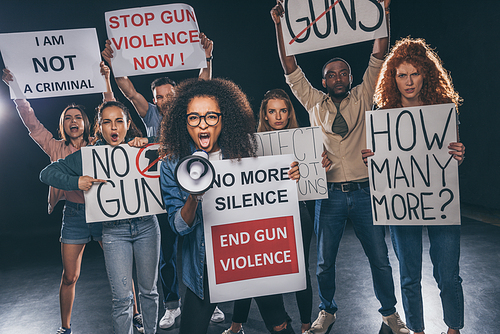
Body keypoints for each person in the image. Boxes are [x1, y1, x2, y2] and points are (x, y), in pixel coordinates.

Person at [270, 1, 409, 334]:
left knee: (379, 258)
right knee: (324, 262)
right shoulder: (314, 101)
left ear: (349, 76)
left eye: (343, 72)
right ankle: (327, 311)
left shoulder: (363, 95)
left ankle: (390, 313)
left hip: (364, 192)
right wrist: (279, 25)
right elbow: (290, 67)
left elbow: (379, 53)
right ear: (324, 80)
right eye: (331, 74)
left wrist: (383, 15)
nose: (338, 78)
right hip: (329, 195)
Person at [1, 63, 144, 334]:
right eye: (68, 117)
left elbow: (111, 108)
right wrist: (14, 87)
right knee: (70, 276)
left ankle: (136, 313)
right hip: (75, 216)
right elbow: (29, 118)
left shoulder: (98, 144)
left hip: (104, 212)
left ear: (87, 122)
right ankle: (65, 327)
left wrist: (105, 79)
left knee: (122, 272)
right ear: (63, 124)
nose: (74, 120)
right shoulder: (53, 146)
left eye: (78, 116)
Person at [101, 32, 225, 328]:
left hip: (196, 184)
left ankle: (213, 300)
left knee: (207, 245)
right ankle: (172, 304)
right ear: (154, 99)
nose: (165, 100)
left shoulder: (188, 112)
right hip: (160, 194)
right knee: (166, 256)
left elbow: (203, 84)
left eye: (170, 95)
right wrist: (114, 61)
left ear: (178, 96)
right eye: (159, 96)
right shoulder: (149, 114)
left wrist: (207, 57)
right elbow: (128, 89)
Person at [159, 78, 300, 334]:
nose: (203, 124)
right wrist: (193, 196)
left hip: (251, 255)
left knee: (279, 324)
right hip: (204, 266)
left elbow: (269, 197)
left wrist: (288, 178)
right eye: (194, 118)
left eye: (211, 116)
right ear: (184, 121)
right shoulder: (171, 164)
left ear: (224, 118)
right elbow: (179, 227)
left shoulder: (246, 149)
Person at [362, 37, 465, 334]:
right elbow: (383, 167)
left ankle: (454, 328)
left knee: (448, 275)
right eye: (402, 74)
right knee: (409, 276)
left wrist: (460, 153)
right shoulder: (382, 119)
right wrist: (373, 160)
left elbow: (451, 159)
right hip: (401, 205)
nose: (409, 82)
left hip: (439, 201)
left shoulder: (443, 111)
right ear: (393, 77)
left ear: (427, 75)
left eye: (415, 73)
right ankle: (417, 330)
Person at [39, 101, 161, 334]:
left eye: (119, 121)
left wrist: (149, 144)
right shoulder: (90, 156)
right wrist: (76, 182)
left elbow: (173, 151)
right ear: (99, 126)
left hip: (146, 227)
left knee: (149, 292)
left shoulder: (141, 149)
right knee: (122, 299)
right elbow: (47, 173)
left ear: (127, 124)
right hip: (113, 230)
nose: (113, 127)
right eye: (107, 122)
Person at [223, 88, 330, 334]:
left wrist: (321, 165)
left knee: (299, 270)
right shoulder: (252, 143)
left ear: (289, 112)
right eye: (272, 111)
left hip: (297, 212)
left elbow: (317, 173)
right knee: (254, 269)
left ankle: (305, 326)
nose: (278, 116)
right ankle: (236, 324)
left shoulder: (305, 140)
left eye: (283, 110)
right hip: (264, 216)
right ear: (265, 114)